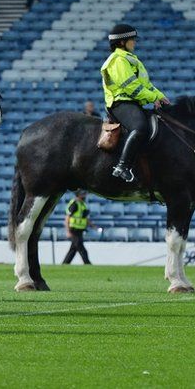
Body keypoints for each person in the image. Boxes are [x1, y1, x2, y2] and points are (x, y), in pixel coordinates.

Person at [101, 24, 170, 182]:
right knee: (140, 128)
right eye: (132, 39)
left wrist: (160, 96)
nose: (135, 42)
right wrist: (153, 98)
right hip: (120, 103)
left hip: (132, 103)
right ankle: (122, 166)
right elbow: (131, 87)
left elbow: (145, 84)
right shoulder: (117, 61)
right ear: (121, 42)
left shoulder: (130, 59)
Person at [63, 190, 92, 264]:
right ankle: (88, 264)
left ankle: (65, 264)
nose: (85, 196)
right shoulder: (74, 204)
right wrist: (68, 231)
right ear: (78, 195)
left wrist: (93, 226)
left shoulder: (82, 204)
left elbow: (85, 218)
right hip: (74, 230)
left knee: (73, 250)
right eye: (83, 194)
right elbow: (67, 218)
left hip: (80, 230)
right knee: (82, 249)